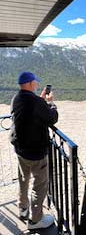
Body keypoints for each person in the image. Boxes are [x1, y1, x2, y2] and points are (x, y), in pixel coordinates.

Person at [10, 71, 58, 230]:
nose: (37, 85)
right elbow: (52, 118)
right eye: (35, 82)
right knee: (40, 184)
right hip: (36, 152)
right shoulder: (38, 102)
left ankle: (23, 208)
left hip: (20, 150)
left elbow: (28, 114)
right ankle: (36, 220)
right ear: (30, 84)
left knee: (24, 178)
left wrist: (42, 101)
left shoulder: (16, 99)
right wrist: (50, 103)